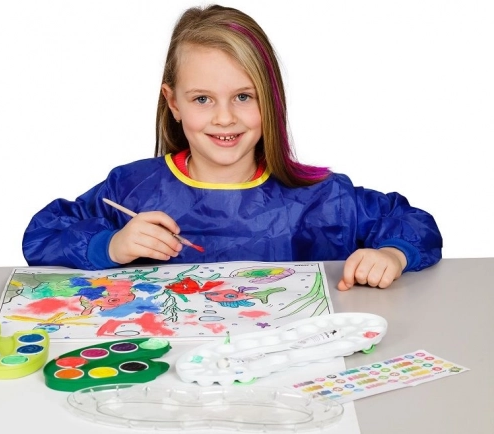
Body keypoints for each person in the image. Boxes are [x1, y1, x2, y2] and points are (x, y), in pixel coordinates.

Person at [22, 4, 442, 291]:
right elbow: (43, 234)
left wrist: (392, 254)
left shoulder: (319, 198)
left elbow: (413, 222)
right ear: (174, 103)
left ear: (270, 100)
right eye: (202, 99)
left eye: (243, 96)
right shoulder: (131, 188)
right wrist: (110, 246)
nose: (224, 118)